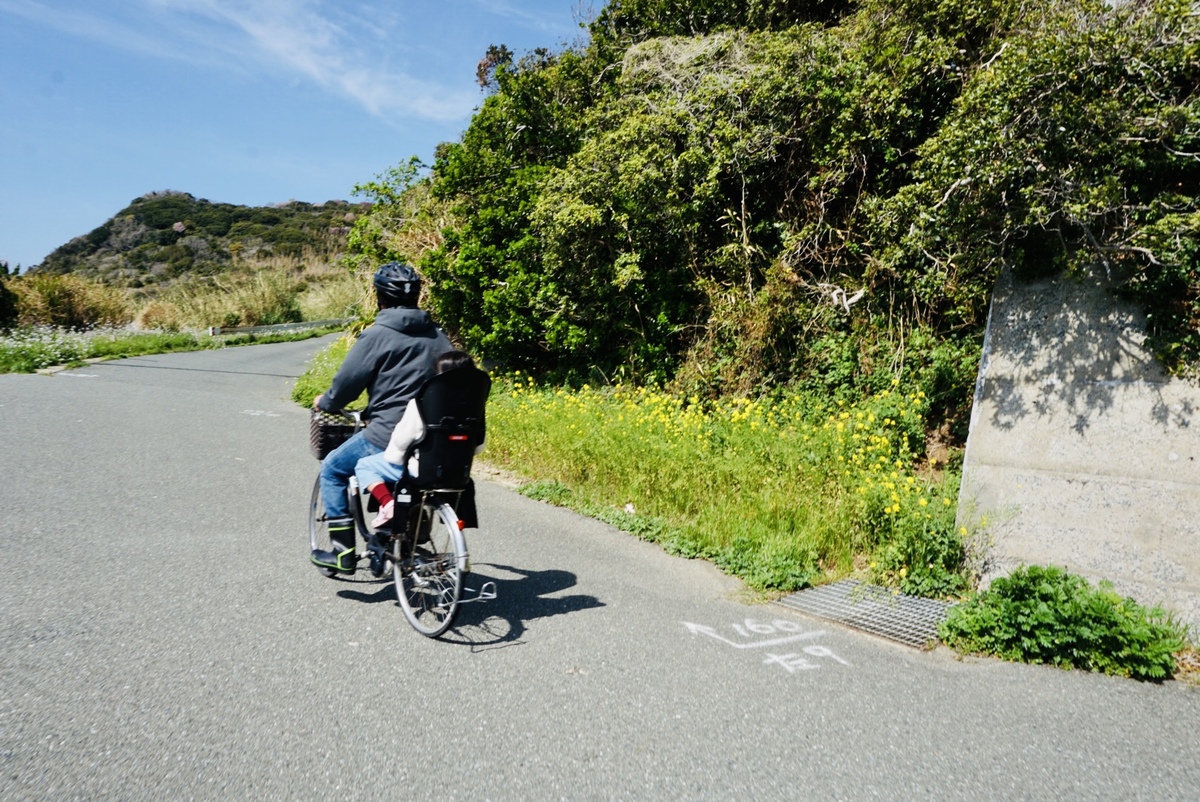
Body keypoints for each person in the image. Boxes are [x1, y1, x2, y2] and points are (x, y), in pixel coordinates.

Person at [310, 262, 451, 576]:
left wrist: (327, 402)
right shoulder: (439, 336)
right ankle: (388, 539)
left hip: (386, 433)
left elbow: (344, 388)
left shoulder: (377, 336)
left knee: (332, 468)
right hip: (431, 439)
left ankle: (343, 552)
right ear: (416, 297)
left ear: (380, 298)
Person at [355, 350, 484, 530]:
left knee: (365, 465)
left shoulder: (422, 403)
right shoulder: (475, 407)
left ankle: (388, 504)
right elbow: (478, 447)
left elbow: (400, 442)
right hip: (458, 473)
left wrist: (395, 456)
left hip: (422, 471)